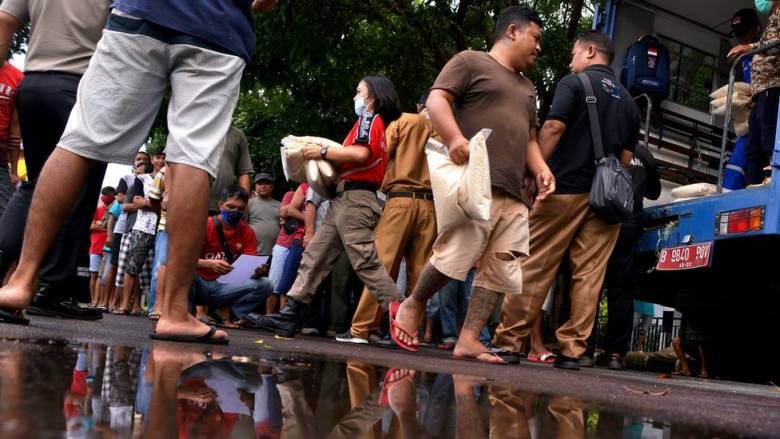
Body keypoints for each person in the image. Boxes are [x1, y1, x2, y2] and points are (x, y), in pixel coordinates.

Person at [0, 0, 277, 345]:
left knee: (78, 142)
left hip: (140, 15)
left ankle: (20, 281)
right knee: (192, 159)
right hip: (216, 29)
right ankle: (173, 312)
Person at [391, 6, 555, 363]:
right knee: (455, 253)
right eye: (536, 38)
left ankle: (468, 338)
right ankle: (413, 304)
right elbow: (437, 99)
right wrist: (453, 137)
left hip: (515, 192)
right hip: (476, 182)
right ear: (512, 31)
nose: (539, 47)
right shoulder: (470, 62)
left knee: (500, 266)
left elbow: (530, 139)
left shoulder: (528, 88)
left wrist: (542, 169)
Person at [492, 31, 640, 370]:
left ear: (590, 51)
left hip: (564, 188)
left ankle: (509, 342)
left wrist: (533, 173)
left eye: (574, 54)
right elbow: (626, 158)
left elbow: (553, 128)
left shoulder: (573, 84)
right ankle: (573, 350)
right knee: (589, 274)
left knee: (535, 264)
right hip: (607, 201)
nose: (571, 62)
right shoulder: (630, 103)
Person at [248, 75, 405, 338]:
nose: (356, 97)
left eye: (359, 91)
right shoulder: (377, 124)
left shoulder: (368, 118)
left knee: (364, 261)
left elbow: (360, 153)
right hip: (346, 199)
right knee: (315, 256)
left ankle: (403, 316)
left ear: (372, 96)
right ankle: (289, 316)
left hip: (355, 199)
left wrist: (320, 152)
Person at [0, 0, 112, 322]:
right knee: (79, 188)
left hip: (33, 84)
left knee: (38, 183)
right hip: (80, 86)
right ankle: (54, 288)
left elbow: (5, 20)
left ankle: (6, 262)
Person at [336, 93, 437, 345]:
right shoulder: (448, 132)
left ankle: (362, 329)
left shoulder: (403, 121)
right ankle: (409, 331)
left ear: (419, 105)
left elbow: (380, 154)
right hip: (431, 206)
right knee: (421, 274)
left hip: (400, 200)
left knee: (381, 265)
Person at [190, 185, 273, 327]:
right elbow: (184, 261)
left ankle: (228, 313)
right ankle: (188, 314)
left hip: (225, 286)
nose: (235, 212)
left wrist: (256, 271)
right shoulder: (205, 225)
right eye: (231, 206)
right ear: (220, 205)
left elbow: (248, 267)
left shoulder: (247, 232)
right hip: (200, 283)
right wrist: (209, 264)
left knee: (266, 284)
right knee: (182, 272)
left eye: (240, 208)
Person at [728, 1, 780, 185]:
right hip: (760, 91)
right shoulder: (772, 18)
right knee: (752, 145)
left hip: (771, 86)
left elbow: (775, 44)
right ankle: (752, 182)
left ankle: (772, 176)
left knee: (768, 135)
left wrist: (750, 48)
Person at [208, 125, 254, 215]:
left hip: (227, 208)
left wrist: (243, 205)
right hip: (192, 202)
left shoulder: (237, 135)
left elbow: (244, 172)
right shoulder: (193, 126)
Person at [0, 58, 22, 219]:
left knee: (4, 213)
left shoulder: (17, 77)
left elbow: (15, 128)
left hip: (1, 159)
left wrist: (14, 171)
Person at [88, 186, 115, 307]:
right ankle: (93, 300)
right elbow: (92, 226)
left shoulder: (113, 209)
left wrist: (100, 225)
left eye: (107, 195)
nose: (104, 197)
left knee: (104, 276)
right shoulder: (98, 210)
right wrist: (107, 228)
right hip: (95, 246)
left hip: (108, 248)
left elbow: (97, 225)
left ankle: (102, 301)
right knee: (94, 274)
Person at [246, 172, 280, 256]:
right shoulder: (248, 204)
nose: (263, 186)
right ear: (255, 187)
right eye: (260, 184)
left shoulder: (280, 205)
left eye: (266, 184)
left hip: (275, 252)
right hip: (253, 251)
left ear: (272, 187)